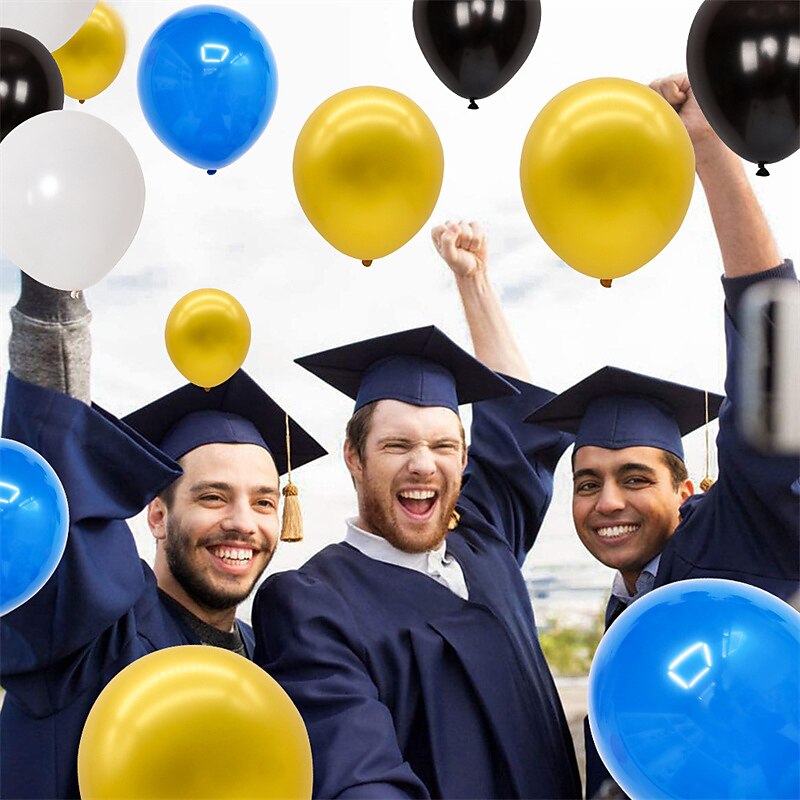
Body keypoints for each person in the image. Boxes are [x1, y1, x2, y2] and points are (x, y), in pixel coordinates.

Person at [525, 73, 799, 798]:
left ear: (687, 486)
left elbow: (773, 364)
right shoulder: (626, 605)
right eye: (587, 482)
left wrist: (710, 153)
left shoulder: (742, 538)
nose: (606, 499)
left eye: (635, 477)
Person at [252, 222, 583, 799]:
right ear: (355, 457)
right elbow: (358, 773)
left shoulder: (483, 541)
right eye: (397, 445)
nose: (424, 465)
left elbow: (521, 432)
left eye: (444, 445)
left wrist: (476, 282)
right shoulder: (309, 603)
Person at [0, 276, 326, 799]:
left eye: (265, 501)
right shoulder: (90, 637)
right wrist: (55, 281)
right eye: (213, 497)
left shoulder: (275, 660)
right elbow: (57, 469)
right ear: (156, 515)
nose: (244, 521)